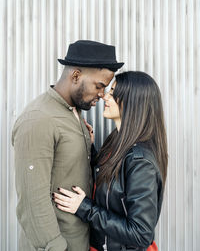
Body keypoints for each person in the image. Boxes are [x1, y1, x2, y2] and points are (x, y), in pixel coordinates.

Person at [12, 40, 124, 251]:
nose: (102, 95)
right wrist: (56, 247)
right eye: (99, 86)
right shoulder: (38, 119)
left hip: (80, 241)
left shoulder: (75, 114)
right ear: (75, 76)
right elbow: (32, 202)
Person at [53, 71, 168, 251]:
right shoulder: (116, 142)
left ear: (132, 102)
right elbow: (111, 184)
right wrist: (90, 149)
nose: (105, 96)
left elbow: (140, 233)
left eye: (113, 93)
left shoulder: (140, 162)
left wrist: (84, 208)